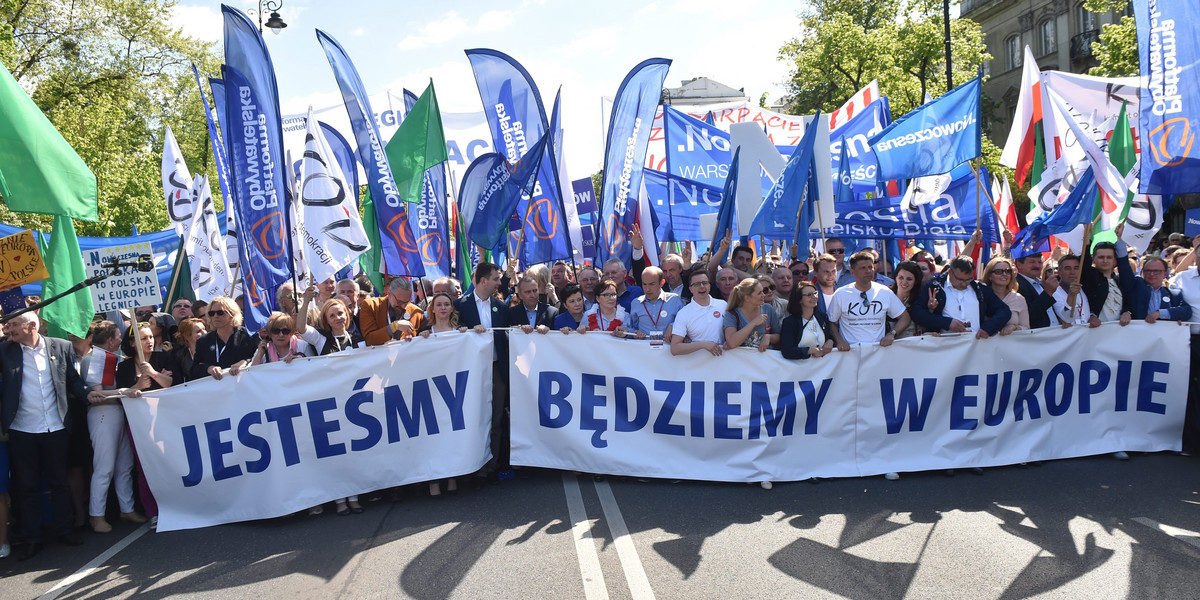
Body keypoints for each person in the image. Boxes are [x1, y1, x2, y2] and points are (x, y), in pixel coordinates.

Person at [1, 312, 105, 560]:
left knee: (59, 481)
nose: (9, 329)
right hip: (21, 428)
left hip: (55, 427)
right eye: (8, 325)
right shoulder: (5, 351)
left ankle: (64, 530)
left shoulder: (61, 346)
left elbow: (72, 380)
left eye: (15, 324)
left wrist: (87, 394)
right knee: (27, 487)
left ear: (32, 326)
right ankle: (32, 537)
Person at [78, 321, 147, 534]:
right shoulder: (96, 359)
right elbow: (96, 394)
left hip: (117, 412)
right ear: (109, 340)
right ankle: (96, 515)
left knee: (124, 464)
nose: (120, 340)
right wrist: (128, 390)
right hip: (103, 414)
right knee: (104, 467)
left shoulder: (109, 358)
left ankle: (126, 508)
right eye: (118, 337)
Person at [418, 291, 482, 496]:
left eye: (447, 304)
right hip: (432, 390)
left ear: (452, 308)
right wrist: (420, 340)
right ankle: (433, 481)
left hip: (454, 389)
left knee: (450, 433)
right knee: (432, 436)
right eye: (439, 304)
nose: (443, 308)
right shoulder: (425, 331)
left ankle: (452, 476)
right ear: (433, 309)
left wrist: (472, 332)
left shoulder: (460, 331)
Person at [454, 262, 512, 480]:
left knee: (496, 418)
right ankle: (473, 465)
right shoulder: (459, 305)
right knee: (474, 417)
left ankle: (492, 465)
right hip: (472, 371)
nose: (500, 282)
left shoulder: (502, 307)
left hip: (496, 369)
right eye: (496, 279)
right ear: (482, 280)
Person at [114, 324, 173, 530]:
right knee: (145, 467)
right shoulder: (124, 367)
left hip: (165, 420)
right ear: (132, 343)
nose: (149, 341)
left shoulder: (163, 358)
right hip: (139, 423)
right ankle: (153, 511)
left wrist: (155, 374)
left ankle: (176, 505)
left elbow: (173, 384)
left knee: (170, 461)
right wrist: (136, 387)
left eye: (150, 337)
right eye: (143, 338)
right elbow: (121, 395)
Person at [911, 256, 1012, 338]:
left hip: (974, 346)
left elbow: (1004, 311)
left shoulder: (979, 289)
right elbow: (917, 312)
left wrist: (988, 328)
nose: (964, 284)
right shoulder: (935, 286)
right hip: (943, 348)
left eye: (968, 280)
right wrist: (947, 323)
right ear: (950, 272)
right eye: (960, 279)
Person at [827, 251, 910, 349]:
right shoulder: (841, 294)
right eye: (863, 268)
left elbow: (905, 318)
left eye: (870, 267)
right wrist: (839, 341)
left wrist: (892, 334)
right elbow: (831, 322)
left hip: (877, 352)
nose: (868, 271)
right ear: (852, 272)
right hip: (850, 352)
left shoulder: (884, 291)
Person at [191, 296, 259, 381]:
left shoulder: (250, 336)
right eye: (211, 313)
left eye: (220, 313)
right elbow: (194, 369)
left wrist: (245, 362)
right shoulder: (203, 341)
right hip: (216, 390)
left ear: (232, 314)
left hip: (244, 386)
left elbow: (261, 358)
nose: (215, 316)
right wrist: (208, 368)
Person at [670, 271, 726, 356]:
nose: (702, 286)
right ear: (690, 289)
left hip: (723, 362)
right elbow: (675, 348)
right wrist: (703, 344)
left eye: (705, 283)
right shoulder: (683, 313)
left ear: (710, 286)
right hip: (696, 366)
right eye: (697, 284)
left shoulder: (723, 305)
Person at [360, 277, 426, 346]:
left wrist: (426, 334)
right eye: (399, 302)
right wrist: (394, 326)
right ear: (389, 294)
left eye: (407, 302)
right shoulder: (371, 306)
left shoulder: (417, 313)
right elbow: (369, 340)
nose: (403, 306)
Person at [723, 278, 781, 351]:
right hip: (743, 360)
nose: (763, 295)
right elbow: (732, 342)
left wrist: (769, 337)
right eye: (759, 293)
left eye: (763, 291)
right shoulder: (732, 314)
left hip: (766, 359)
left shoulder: (768, 309)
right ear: (747, 298)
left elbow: (779, 336)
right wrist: (753, 323)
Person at [779, 283, 835, 360]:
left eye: (815, 293)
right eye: (809, 295)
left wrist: (830, 341)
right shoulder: (790, 322)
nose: (814, 297)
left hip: (823, 368)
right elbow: (787, 351)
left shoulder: (822, 317)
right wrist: (808, 351)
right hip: (799, 369)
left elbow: (829, 336)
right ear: (799, 300)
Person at [628, 266, 683, 343]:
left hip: (668, 350)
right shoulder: (636, 303)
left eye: (652, 284)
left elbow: (685, 323)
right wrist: (635, 333)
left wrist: (672, 325)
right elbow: (631, 327)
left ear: (662, 283)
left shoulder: (674, 300)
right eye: (644, 284)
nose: (647, 289)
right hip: (643, 349)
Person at [1134, 256, 1191, 323]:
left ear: (1165, 274)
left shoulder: (1174, 294)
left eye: (1156, 271)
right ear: (1142, 272)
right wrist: (1128, 313)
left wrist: (1160, 314)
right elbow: (1128, 309)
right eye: (1148, 270)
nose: (1152, 274)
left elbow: (1187, 311)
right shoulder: (1135, 291)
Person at [983, 257, 1029, 334]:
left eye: (1008, 271)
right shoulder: (981, 297)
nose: (1004, 274)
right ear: (989, 276)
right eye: (999, 271)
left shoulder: (1019, 299)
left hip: (1011, 344)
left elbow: (1026, 328)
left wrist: (1014, 327)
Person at [1014, 252, 1059, 329]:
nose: (1037, 266)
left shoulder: (1040, 284)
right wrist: (1047, 293)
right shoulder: (1016, 285)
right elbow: (1028, 316)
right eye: (1032, 262)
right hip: (1039, 337)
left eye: (1040, 262)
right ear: (1019, 264)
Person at [889, 261, 926, 339]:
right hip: (888, 347)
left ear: (916, 281)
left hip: (914, 347)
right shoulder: (886, 296)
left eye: (909, 279)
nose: (904, 282)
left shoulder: (922, 300)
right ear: (895, 277)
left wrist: (931, 309)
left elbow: (925, 329)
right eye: (901, 278)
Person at [170, 318, 207, 383]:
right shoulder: (180, 356)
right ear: (186, 336)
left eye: (204, 329)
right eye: (198, 331)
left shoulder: (213, 349)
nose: (204, 333)